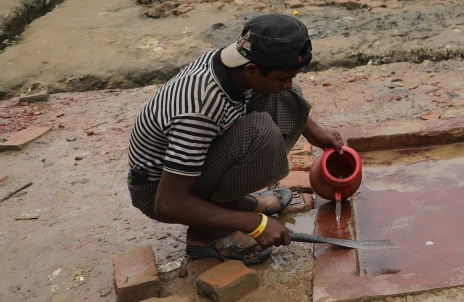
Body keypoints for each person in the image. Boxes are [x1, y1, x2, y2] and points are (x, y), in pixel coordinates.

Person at [126, 14, 344, 264]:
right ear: (251, 69)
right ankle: (206, 233)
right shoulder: (200, 107)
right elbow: (168, 204)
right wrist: (254, 224)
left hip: (189, 171)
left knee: (285, 95)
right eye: (283, 76)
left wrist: (314, 130)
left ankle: (232, 203)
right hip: (158, 191)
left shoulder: (236, 63)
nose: (288, 82)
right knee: (261, 132)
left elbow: (279, 91)